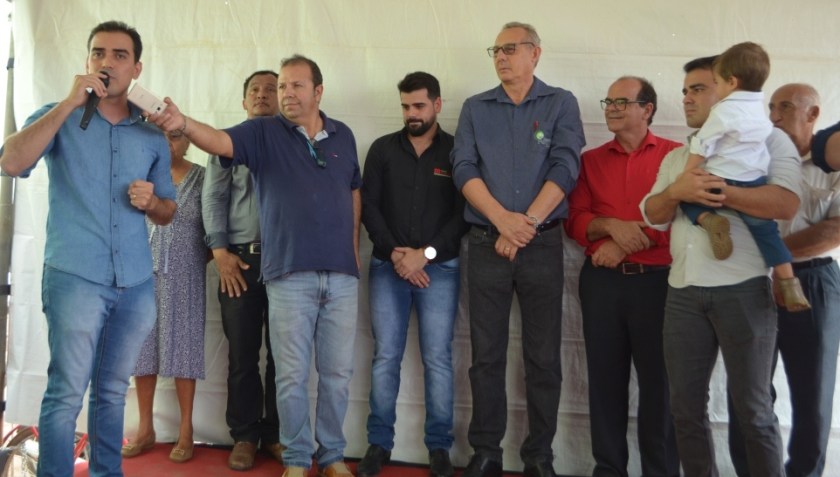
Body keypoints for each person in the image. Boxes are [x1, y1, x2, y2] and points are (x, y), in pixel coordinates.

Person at [149, 54, 361, 477]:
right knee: (270, 366)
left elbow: (353, 189)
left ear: (318, 91)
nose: (283, 93)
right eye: (281, 86)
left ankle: (329, 456)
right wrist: (182, 123)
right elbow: (217, 145)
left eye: (293, 85)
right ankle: (280, 451)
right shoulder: (262, 133)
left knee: (334, 374)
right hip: (269, 268)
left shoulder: (344, 135)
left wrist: (352, 249)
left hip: (336, 275)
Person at [0, 20, 176, 477]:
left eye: (119, 55)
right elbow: (11, 162)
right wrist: (68, 103)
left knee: (113, 393)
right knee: (65, 393)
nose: (107, 62)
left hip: (135, 283)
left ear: (136, 68)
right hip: (75, 277)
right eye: (98, 52)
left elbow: (168, 211)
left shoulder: (151, 135)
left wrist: (152, 202)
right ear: (87, 61)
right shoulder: (57, 116)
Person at [640, 55, 802, 477]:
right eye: (685, 90)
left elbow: (786, 204)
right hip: (682, 293)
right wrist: (677, 191)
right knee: (684, 409)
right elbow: (653, 214)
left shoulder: (771, 141)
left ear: (729, 89)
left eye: (698, 88)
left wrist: (718, 192)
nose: (686, 98)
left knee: (753, 409)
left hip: (744, 289)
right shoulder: (679, 157)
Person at [451, 21, 584, 477]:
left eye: (511, 48)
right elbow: (463, 167)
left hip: (541, 245)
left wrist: (524, 225)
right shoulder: (475, 107)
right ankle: (486, 452)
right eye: (496, 50)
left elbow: (566, 166)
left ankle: (539, 457)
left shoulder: (560, 103)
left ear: (535, 54)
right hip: (486, 244)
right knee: (486, 356)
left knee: (543, 358)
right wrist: (503, 222)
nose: (502, 57)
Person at [564, 76, 680, 477]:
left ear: (647, 109)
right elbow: (575, 220)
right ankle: (609, 469)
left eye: (621, 102)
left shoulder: (676, 157)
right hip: (603, 284)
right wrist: (612, 227)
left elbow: (679, 219)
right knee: (605, 381)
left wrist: (623, 244)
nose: (611, 109)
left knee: (660, 385)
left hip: (658, 284)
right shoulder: (590, 161)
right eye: (608, 102)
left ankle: (660, 472)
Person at [358, 71, 468, 477]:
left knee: (437, 358)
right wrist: (398, 256)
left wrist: (426, 255)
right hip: (388, 267)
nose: (411, 114)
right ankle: (378, 444)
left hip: (440, 269)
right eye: (405, 106)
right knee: (385, 356)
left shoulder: (458, 152)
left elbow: (464, 215)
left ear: (437, 105)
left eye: (419, 105)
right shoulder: (382, 150)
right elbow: (368, 207)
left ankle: (439, 448)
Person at [728, 83, 840, 477]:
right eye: (771, 107)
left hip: (814, 282)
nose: (774, 116)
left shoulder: (834, 165)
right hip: (751, 282)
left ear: (813, 115)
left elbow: (834, 231)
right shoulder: (753, 162)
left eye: (786, 107)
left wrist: (774, 253)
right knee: (747, 391)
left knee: (812, 395)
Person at [677, 42, 808, 311]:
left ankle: (708, 219)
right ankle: (789, 283)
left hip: (722, 178)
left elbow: (702, 143)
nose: (687, 99)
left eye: (714, 84)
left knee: (685, 198)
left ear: (731, 82)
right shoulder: (758, 107)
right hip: (754, 179)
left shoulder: (723, 111)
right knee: (768, 234)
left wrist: (688, 175)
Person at [201, 70, 283, 470]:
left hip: (286, 264)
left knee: (285, 356)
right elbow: (213, 196)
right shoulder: (226, 143)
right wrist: (219, 252)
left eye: (271, 89)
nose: (263, 95)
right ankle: (245, 435)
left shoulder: (296, 143)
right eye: (255, 90)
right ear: (244, 101)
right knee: (242, 355)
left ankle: (277, 435)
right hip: (239, 263)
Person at [120, 130, 206, 463]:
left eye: (175, 136)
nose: (169, 143)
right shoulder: (141, 177)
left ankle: (186, 430)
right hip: (141, 275)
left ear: (188, 141)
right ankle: (145, 429)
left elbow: (213, 227)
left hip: (186, 277)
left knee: (185, 350)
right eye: (162, 137)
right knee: (143, 350)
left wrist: (192, 261)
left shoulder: (202, 178)